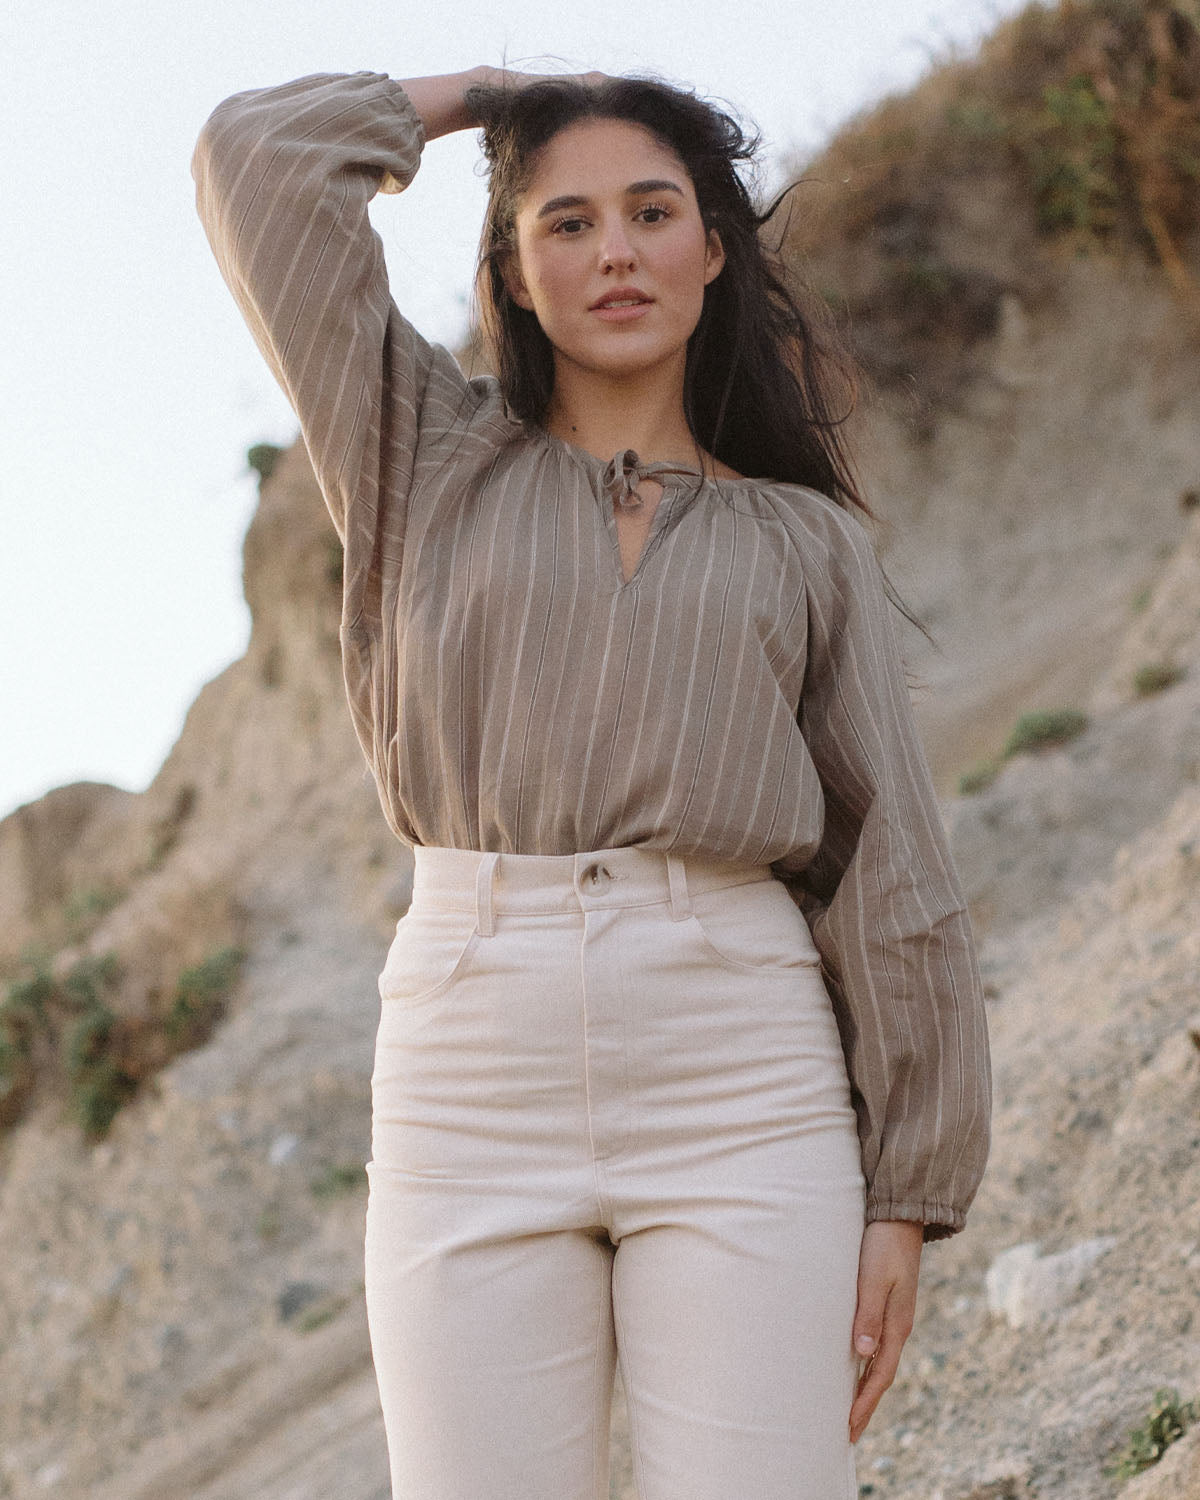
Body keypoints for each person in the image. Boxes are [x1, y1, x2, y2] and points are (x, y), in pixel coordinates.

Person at [192, 63, 991, 1500]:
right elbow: (256, 162)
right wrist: (485, 96)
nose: (615, 249)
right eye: (567, 221)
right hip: (467, 1059)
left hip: (743, 1063)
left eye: (651, 210)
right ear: (512, 266)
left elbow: (892, 868)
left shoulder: (804, 545)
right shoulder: (418, 459)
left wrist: (908, 1198)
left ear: (714, 248)